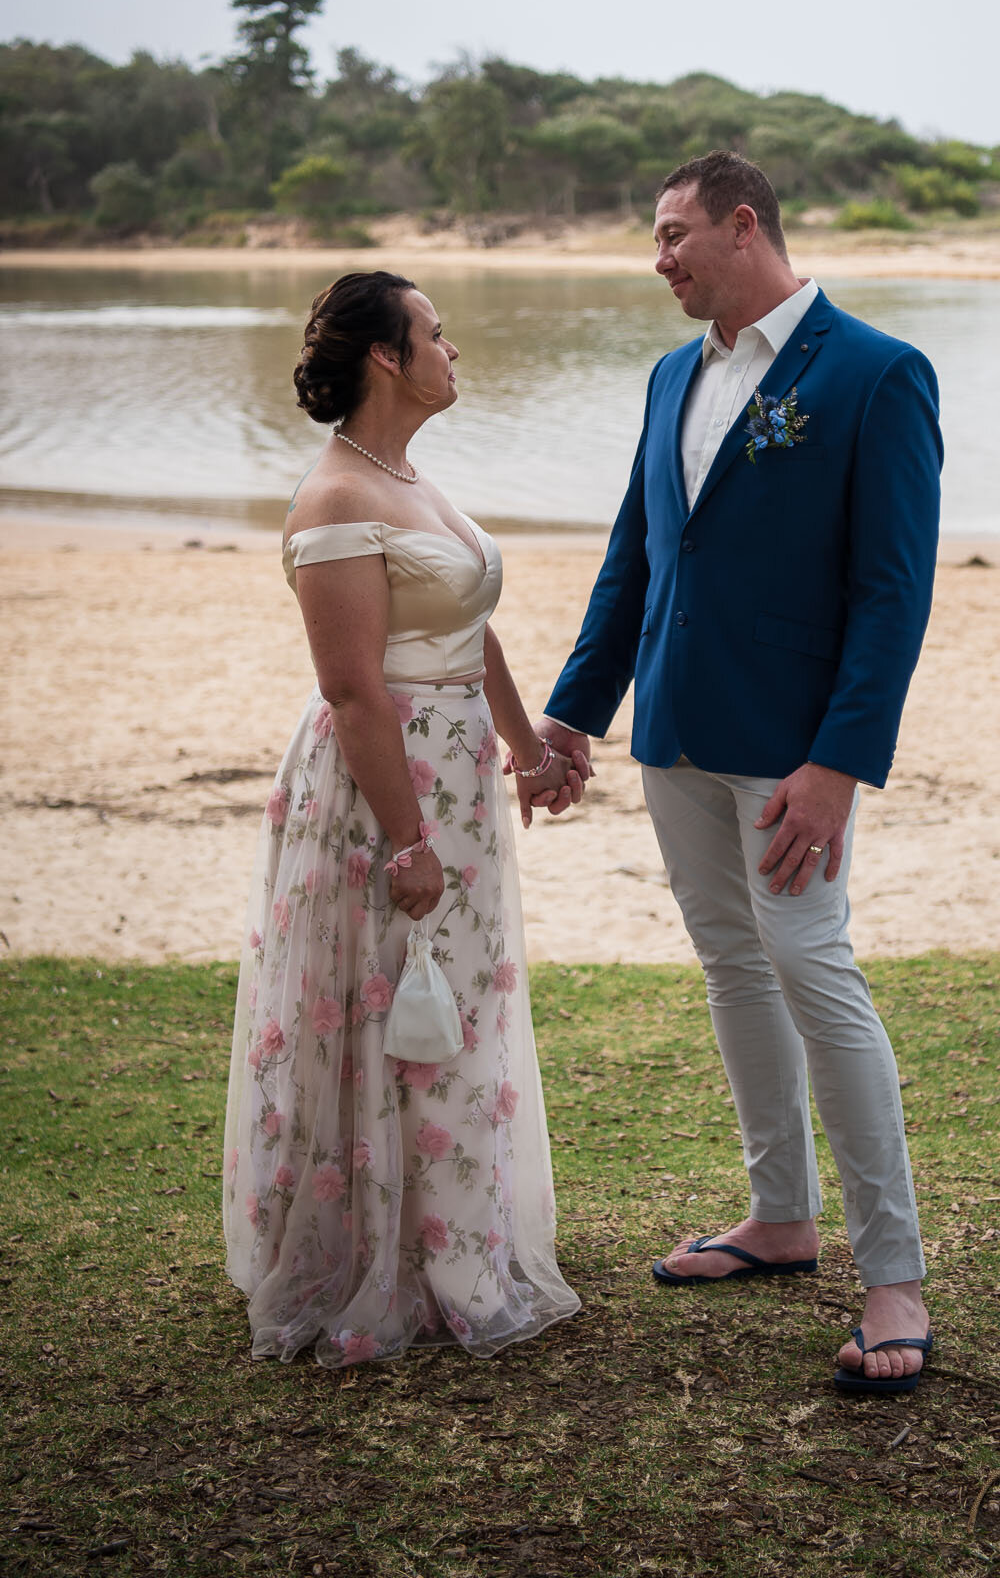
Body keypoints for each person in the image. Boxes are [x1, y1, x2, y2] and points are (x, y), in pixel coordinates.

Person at [539, 151, 942, 1395]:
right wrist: (572, 715)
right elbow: (634, 556)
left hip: (790, 751)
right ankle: (779, 1215)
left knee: (813, 967)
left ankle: (894, 1273)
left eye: (671, 235)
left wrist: (836, 763)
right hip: (673, 728)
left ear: (742, 223)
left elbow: (891, 591)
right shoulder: (671, 373)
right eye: (654, 239)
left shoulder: (876, 372)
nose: (656, 258)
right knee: (730, 964)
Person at [223, 270, 581, 1365]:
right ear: (386, 355)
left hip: (459, 775)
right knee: (379, 996)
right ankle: (369, 1247)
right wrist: (407, 836)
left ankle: (449, 1232)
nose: (453, 348)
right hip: (386, 784)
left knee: (452, 996)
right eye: (435, 332)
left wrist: (527, 742)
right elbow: (353, 688)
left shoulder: (411, 479)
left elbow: (468, 628)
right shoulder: (335, 498)